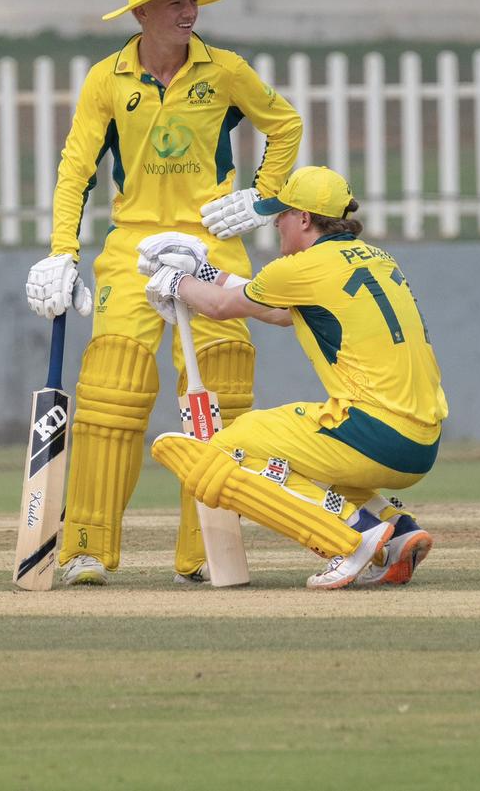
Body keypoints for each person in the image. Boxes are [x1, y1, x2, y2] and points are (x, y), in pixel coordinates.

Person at [25, 0, 302, 586]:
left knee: (223, 385)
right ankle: (86, 549)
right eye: (176, 3)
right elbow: (77, 169)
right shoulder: (107, 79)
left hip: (212, 243)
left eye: (193, 1)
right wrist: (61, 250)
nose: (189, 12)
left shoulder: (225, 70)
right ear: (142, 13)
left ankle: (204, 551)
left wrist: (262, 200)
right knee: (112, 389)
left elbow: (285, 125)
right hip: (133, 242)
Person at [145, 165, 448, 589]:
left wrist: (174, 280)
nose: (276, 227)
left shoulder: (303, 267)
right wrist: (204, 273)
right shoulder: (376, 258)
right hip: (422, 440)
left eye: (280, 217)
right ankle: (395, 531)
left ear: (304, 219)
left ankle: (353, 536)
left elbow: (218, 308)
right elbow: (281, 309)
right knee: (301, 451)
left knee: (230, 446)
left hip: (376, 430)